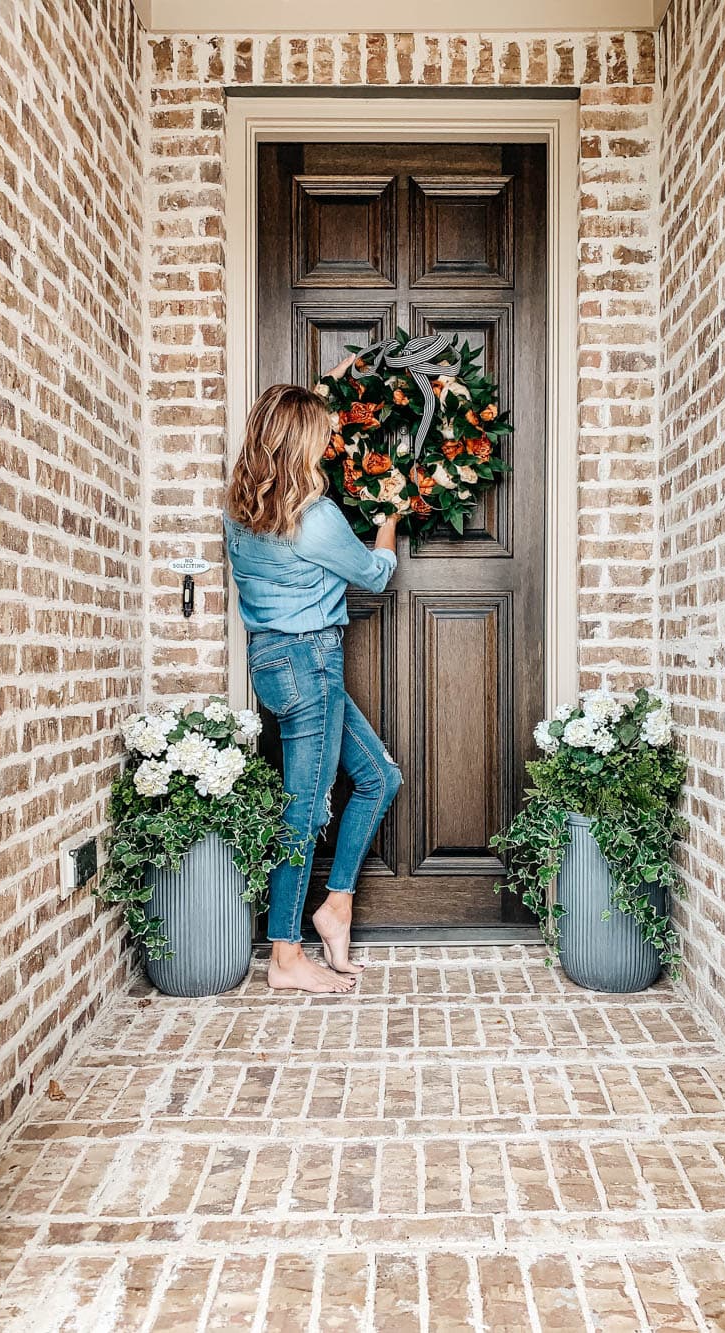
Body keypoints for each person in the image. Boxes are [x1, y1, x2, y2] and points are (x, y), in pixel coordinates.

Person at [224, 358, 402, 994]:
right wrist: (389, 520)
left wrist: (326, 386)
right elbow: (376, 575)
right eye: (322, 434)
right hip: (312, 663)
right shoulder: (316, 516)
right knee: (303, 809)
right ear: (302, 444)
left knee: (380, 776)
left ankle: (337, 904)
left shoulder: (239, 513)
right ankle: (285, 956)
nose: (331, 442)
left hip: (272, 664)